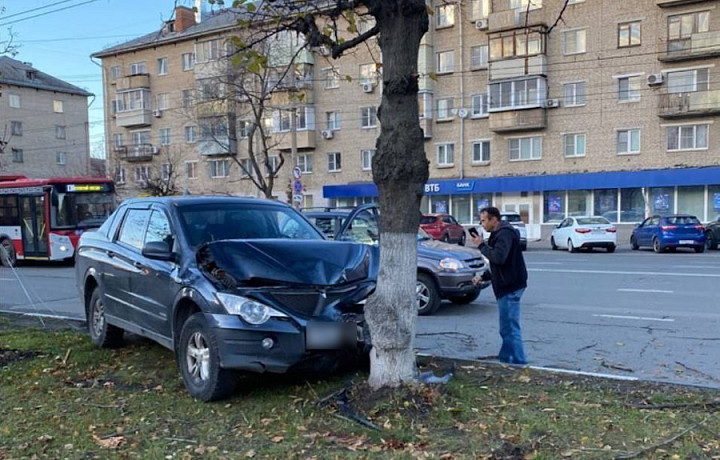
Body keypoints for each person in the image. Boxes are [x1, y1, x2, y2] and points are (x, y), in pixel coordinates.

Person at [469, 206, 528, 365]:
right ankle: (506, 359)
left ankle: (519, 362)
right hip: (508, 284)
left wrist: (481, 245)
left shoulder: (504, 235)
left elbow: (499, 258)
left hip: (510, 286)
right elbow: (499, 265)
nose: (482, 224)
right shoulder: (498, 234)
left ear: (494, 219)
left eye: (483, 220)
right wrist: (483, 276)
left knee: (510, 328)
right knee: (506, 328)